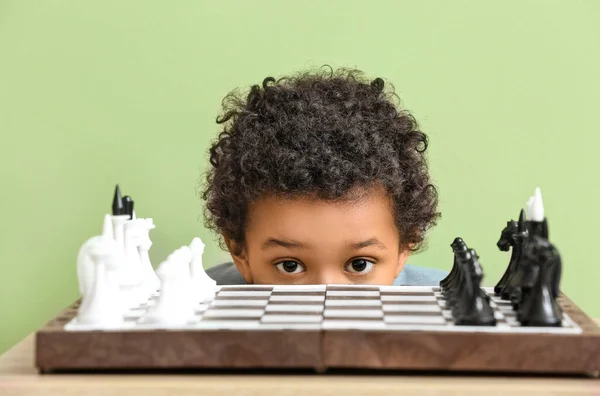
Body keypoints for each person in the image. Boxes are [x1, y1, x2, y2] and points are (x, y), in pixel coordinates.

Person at [201, 66, 446, 285]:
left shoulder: (451, 313)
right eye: (290, 265)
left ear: (404, 248)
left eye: (360, 264)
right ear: (239, 252)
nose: (326, 295)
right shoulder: (190, 307)